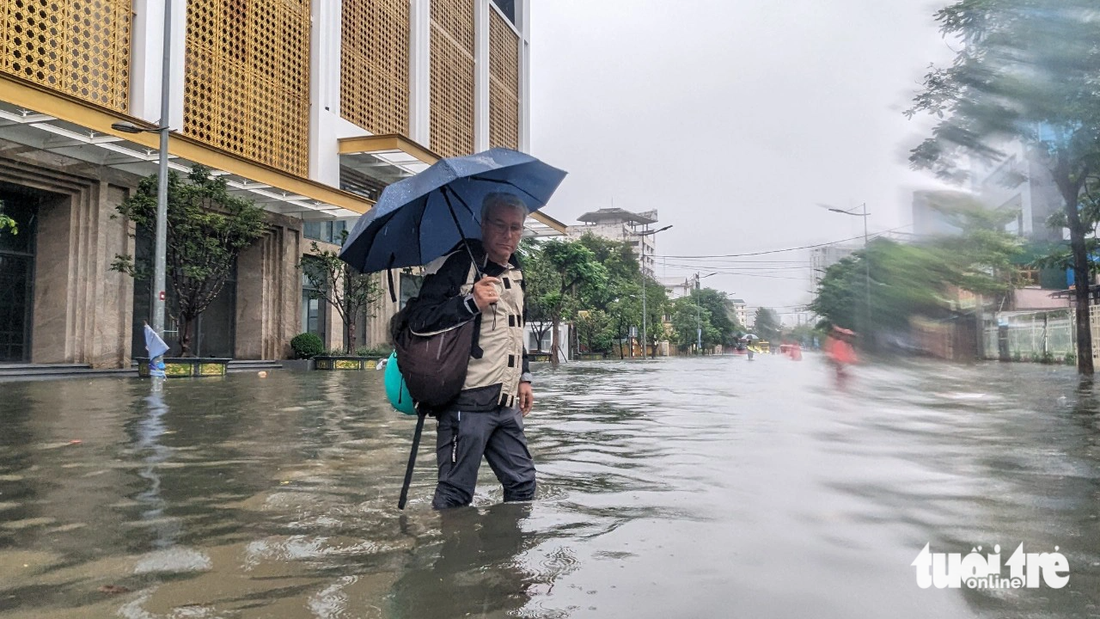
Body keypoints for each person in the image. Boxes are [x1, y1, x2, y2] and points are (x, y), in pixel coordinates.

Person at [403, 192, 536, 510]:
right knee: (455, 494)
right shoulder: (458, 265)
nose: (508, 235)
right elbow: (419, 322)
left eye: (515, 227)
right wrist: (469, 303)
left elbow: (513, 332)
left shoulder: (515, 271)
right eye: (500, 225)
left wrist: (524, 377)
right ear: (483, 224)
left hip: (506, 404)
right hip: (465, 403)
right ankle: (450, 555)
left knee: (523, 484)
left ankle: (507, 558)